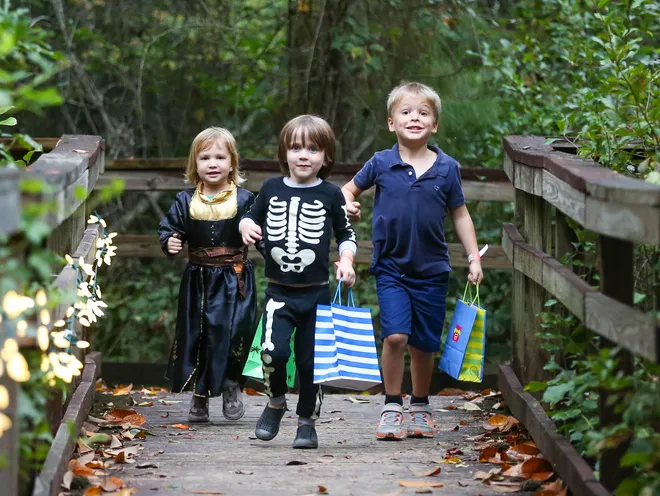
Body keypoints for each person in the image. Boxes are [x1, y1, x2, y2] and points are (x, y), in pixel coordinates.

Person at [341, 82, 484, 440]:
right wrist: (348, 205)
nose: (414, 118)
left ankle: (420, 405)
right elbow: (347, 190)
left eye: (423, 113)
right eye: (406, 112)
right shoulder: (381, 162)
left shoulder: (447, 168)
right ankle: (391, 404)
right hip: (391, 267)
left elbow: (460, 214)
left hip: (433, 270)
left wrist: (473, 257)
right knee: (395, 337)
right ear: (392, 123)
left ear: (434, 124)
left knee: (424, 343)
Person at [239, 115, 357, 449]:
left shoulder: (331, 194)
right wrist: (245, 227)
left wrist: (346, 260)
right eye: (296, 148)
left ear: (326, 157)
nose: (303, 155)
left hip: (317, 295)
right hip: (279, 293)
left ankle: (307, 421)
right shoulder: (271, 189)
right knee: (271, 353)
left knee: (310, 362)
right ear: (284, 153)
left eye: (313, 149)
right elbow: (250, 216)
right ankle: (276, 403)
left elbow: (347, 235)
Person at [158, 127, 261, 423]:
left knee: (232, 333)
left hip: (235, 280)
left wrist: (276, 257)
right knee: (199, 335)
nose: (212, 163)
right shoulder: (184, 200)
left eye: (219, 157)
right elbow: (169, 227)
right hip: (199, 282)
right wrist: (170, 240)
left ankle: (231, 387)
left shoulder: (245, 200)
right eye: (205, 157)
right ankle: (200, 396)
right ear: (195, 164)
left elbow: (261, 234)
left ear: (232, 163)